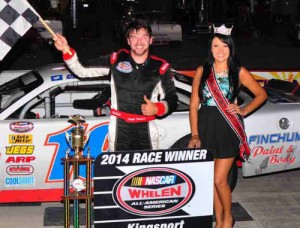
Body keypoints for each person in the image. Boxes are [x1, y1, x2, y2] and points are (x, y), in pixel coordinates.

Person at [53, 17, 178, 152]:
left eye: (144, 37)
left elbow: (172, 98)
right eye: (134, 37)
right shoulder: (115, 59)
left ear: (151, 40)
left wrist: (158, 108)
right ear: (128, 41)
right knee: (118, 172)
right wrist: (65, 49)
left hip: (147, 129)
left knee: (145, 172)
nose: (139, 42)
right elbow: (82, 70)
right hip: (119, 128)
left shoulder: (161, 67)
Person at [188, 24, 267, 228]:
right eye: (216, 46)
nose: (220, 50)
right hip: (206, 126)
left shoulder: (238, 71)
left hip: (228, 127)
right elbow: (194, 104)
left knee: (219, 180)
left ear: (231, 48)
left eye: (225, 46)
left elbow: (261, 95)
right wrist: (195, 134)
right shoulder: (201, 70)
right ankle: (220, 219)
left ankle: (228, 217)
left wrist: (243, 110)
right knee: (210, 180)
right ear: (210, 49)